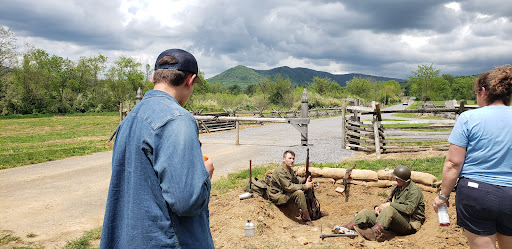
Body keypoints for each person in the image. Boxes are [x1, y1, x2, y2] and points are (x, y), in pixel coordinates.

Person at [100, 49, 215, 248]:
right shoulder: (178, 120)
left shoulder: (130, 119)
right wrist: (204, 175)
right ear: (190, 80)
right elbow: (186, 200)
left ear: (154, 77)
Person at [433, 65, 512, 249]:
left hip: (477, 193)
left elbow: (453, 163)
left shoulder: (469, 118)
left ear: (483, 91)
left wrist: (443, 196)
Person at [343, 166, 425, 241]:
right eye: (396, 177)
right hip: (394, 220)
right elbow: (388, 203)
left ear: (405, 180)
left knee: (389, 209)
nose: (396, 180)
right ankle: (346, 228)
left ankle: (373, 234)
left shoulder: (414, 191)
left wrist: (390, 205)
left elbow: (409, 209)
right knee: (365, 213)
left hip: (408, 224)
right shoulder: (397, 188)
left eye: (398, 178)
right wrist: (378, 207)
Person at [267, 150, 316, 225]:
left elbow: (295, 180)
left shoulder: (289, 169)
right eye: (289, 158)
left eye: (293, 159)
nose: (292, 160)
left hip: (285, 193)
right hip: (278, 196)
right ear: (283, 159)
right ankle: (306, 220)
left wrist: (305, 180)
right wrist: (305, 186)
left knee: (307, 188)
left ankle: (314, 211)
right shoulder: (280, 171)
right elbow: (288, 187)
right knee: (299, 193)